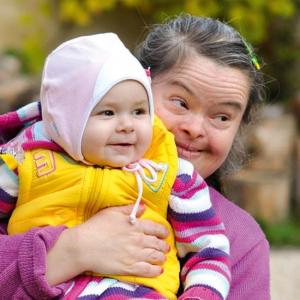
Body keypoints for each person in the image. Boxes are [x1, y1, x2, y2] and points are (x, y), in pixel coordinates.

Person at [0, 14, 270, 300]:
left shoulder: (241, 241)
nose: (194, 128)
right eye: (180, 102)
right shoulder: (32, 167)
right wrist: (71, 251)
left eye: (222, 117)